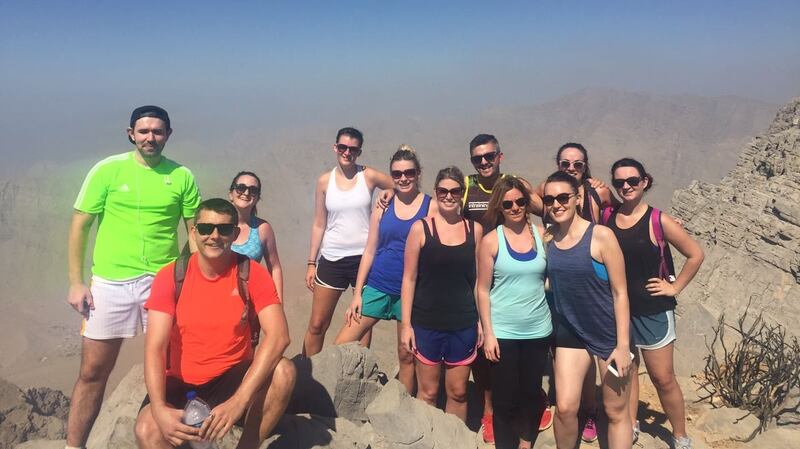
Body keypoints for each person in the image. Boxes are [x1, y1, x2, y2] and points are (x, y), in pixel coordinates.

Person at [65, 105, 201, 449]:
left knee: (174, 369)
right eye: (143, 131)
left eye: (157, 131)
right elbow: (80, 225)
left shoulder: (181, 175)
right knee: (93, 372)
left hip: (163, 282)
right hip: (110, 283)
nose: (150, 137)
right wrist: (76, 282)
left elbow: (194, 231)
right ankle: (73, 446)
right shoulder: (107, 170)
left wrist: (187, 276)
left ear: (168, 135)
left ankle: (174, 439)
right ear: (131, 134)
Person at [134, 198, 296, 449]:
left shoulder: (251, 273)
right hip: (180, 382)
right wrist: (158, 408)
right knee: (147, 431)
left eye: (224, 229)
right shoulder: (171, 276)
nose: (214, 236)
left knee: (284, 372)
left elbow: (279, 336)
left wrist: (239, 401)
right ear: (193, 232)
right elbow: (155, 347)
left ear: (236, 233)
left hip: (231, 378)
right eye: (206, 228)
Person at [604, 158, 703, 449]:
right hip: (619, 309)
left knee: (662, 377)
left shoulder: (659, 220)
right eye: (619, 182)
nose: (626, 187)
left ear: (645, 181)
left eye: (632, 181)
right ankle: (631, 423)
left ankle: (680, 435)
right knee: (628, 370)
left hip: (653, 310)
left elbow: (695, 254)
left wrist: (675, 287)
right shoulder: (608, 216)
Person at [464, 134, 550, 443]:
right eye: (478, 158)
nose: (515, 207)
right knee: (499, 389)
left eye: (520, 202)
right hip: (497, 311)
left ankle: (526, 438)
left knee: (529, 391)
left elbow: (554, 210)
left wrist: (588, 190)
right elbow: (440, 207)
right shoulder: (469, 190)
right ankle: (492, 418)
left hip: (536, 326)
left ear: (500, 156)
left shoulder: (541, 235)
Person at [334, 145, 435, 393]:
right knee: (341, 344)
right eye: (397, 174)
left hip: (410, 292)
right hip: (378, 285)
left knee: (406, 353)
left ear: (418, 173)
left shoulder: (430, 207)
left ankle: (404, 403)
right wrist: (357, 294)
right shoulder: (383, 205)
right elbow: (370, 250)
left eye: (409, 173)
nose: (403, 178)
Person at [543, 171, 633, 449]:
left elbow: (620, 292)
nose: (556, 204)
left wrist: (623, 345)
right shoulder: (548, 238)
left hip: (608, 332)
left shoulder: (601, 236)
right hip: (571, 331)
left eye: (563, 197)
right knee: (566, 408)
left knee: (615, 411)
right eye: (549, 199)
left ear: (578, 198)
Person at [534, 142, 613, 443]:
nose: (571, 169)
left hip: (590, 283)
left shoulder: (598, 192)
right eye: (565, 164)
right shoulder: (549, 189)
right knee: (563, 350)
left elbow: (618, 215)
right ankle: (567, 403)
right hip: (560, 285)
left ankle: (589, 409)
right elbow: (525, 202)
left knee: (589, 354)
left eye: (577, 164)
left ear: (585, 167)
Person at [400, 166, 483, 422]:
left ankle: (454, 439)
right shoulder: (420, 229)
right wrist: (406, 325)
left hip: (463, 323)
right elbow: (409, 279)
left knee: (458, 392)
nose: (448, 196)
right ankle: (427, 438)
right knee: (428, 392)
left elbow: (478, 281)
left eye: (455, 191)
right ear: (435, 192)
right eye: (442, 191)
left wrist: (482, 322)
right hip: (426, 323)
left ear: (462, 193)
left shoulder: (475, 230)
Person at [303, 127, 394, 356]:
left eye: (353, 149)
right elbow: (319, 223)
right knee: (317, 324)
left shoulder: (368, 175)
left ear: (359, 151)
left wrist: (387, 195)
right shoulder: (324, 181)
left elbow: (397, 183)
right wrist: (311, 262)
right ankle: (308, 371)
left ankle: (359, 372)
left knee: (360, 323)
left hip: (364, 258)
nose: (347, 152)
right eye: (343, 147)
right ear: (335, 147)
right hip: (332, 257)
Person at [228, 171, 284, 299]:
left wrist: (278, 303)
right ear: (231, 194)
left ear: (257, 198)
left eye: (253, 190)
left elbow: (275, 268)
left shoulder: (262, 228)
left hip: (251, 299)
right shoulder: (217, 224)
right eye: (241, 188)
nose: (246, 193)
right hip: (219, 296)